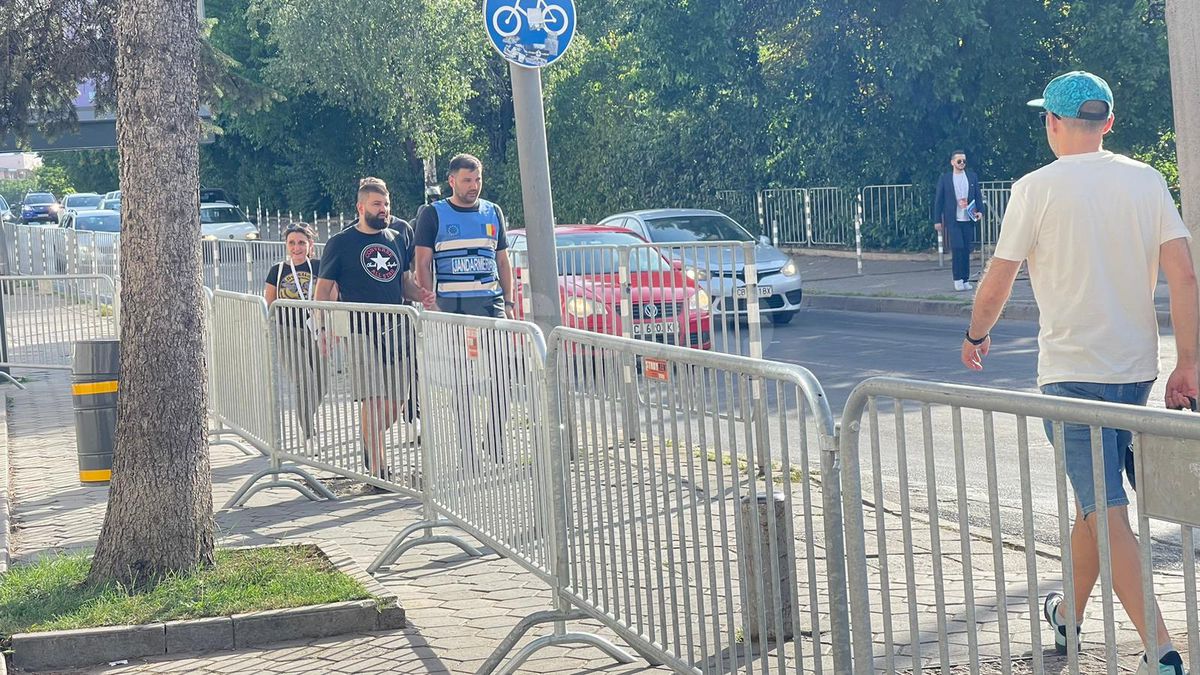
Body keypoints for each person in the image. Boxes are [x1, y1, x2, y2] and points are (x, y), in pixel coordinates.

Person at [961, 71, 1196, 675]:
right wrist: (1189, 362)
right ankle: (1067, 612)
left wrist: (976, 335)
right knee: (1094, 507)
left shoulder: (1035, 188)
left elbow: (998, 279)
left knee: (1107, 512)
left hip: (1069, 376)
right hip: (1134, 372)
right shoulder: (1146, 181)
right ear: (1110, 123)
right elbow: (1184, 276)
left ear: (1053, 124)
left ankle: (1162, 652)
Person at [314, 177, 434, 482]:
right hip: (360, 329)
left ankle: (370, 440)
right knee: (374, 398)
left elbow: (403, 281)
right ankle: (380, 469)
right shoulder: (340, 243)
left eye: (387, 204)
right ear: (361, 206)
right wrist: (323, 327)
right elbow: (323, 288)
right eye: (377, 204)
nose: (384, 210)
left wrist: (423, 294)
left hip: (397, 328)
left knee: (396, 403)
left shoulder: (397, 236)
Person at [413, 154, 517, 461]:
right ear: (452, 181)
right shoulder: (433, 214)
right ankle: (468, 448)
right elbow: (422, 261)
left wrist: (509, 301)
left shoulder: (492, 211)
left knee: (501, 376)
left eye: (478, 180)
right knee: (462, 381)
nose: (474, 186)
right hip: (452, 307)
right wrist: (429, 299)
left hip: (490, 305)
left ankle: (496, 443)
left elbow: (502, 260)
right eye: (467, 180)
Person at [263, 223, 326, 444]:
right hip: (285, 331)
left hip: (314, 330)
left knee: (320, 384)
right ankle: (308, 432)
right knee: (303, 377)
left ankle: (307, 413)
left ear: (310, 245)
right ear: (286, 245)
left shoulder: (319, 267)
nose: (296, 247)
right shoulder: (277, 270)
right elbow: (269, 304)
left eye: (301, 242)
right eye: (292, 243)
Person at [933, 149, 985, 291]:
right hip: (953, 218)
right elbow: (939, 200)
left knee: (966, 249)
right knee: (957, 248)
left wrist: (980, 211)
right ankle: (957, 278)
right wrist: (937, 220)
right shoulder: (945, 179)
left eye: (964, 161)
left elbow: (977, 196)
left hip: (968, 217)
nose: (962, 163)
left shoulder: (972, 177)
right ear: (952, 162)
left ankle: (965, 279)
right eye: (959, 161)